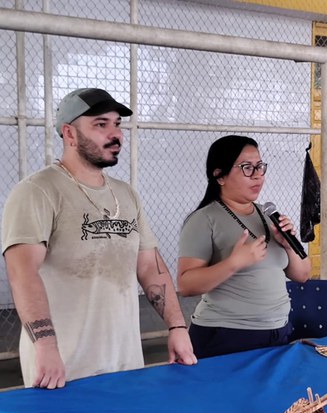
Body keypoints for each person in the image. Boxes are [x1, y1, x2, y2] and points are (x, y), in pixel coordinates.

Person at [1, 88, 196, 389]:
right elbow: (22, 272)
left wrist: (177, 326)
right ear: (69, 133)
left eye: (117, 124)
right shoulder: (37, 192)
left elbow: (149, 266)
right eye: (100, 124)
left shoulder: (127, 195)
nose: (115, 134)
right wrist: (46, 346)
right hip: (62, 370)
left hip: (126, 364)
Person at [177, 135, 311, 359]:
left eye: (260, 166)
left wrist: (288, 246)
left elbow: (303, 275)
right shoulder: (204, 219)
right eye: (247, 168)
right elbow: (186, 285)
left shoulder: (268, 216)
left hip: (278, 331)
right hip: (226, 335)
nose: (257, 174)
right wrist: (234, 263)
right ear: (220, 176)